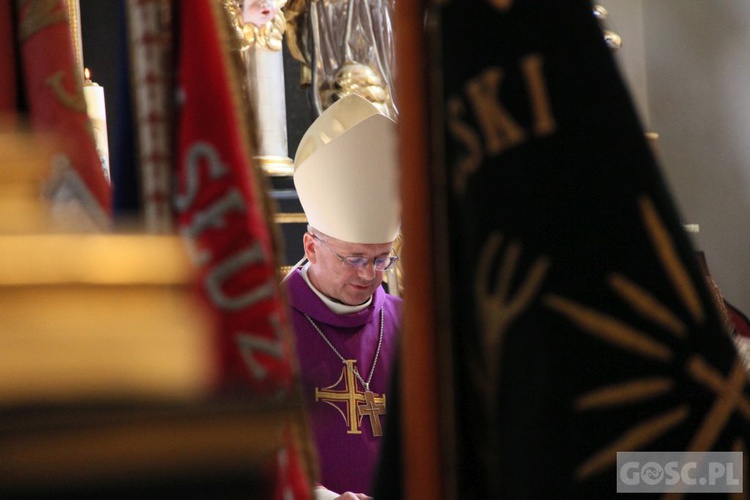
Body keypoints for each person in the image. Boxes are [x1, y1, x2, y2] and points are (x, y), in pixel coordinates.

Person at [283, 94, 402, 499]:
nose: (369, 275)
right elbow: (249, 450)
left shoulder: (411, 324)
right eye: (354, 258)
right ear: (311, 246)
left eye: (382, 259)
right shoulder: (270, 324)